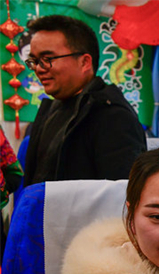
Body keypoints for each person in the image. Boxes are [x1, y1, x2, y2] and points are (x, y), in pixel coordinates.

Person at [23, 15, 146, 185]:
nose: (38, 69)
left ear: (84, 62)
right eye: (34, 61)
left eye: (47, 59)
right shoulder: (53, 108)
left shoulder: (112, 116)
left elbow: (121, 197)